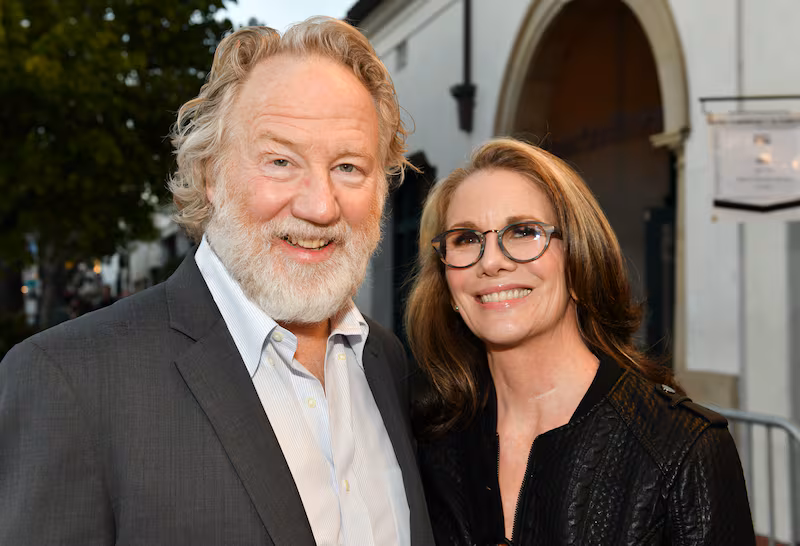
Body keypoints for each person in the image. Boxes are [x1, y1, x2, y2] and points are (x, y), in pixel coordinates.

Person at [0, 18, 434, 546]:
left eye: (348, 167)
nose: (320, 206)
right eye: (280, 160)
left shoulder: (387, 363)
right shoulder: (70, 382)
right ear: (210, 174)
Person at [406, 138, 755, 545]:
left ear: (579, 261)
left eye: (522, 231)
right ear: (448, 285)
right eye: (465, 239)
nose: (491, 261)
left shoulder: (681, 449)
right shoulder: (430, 438)